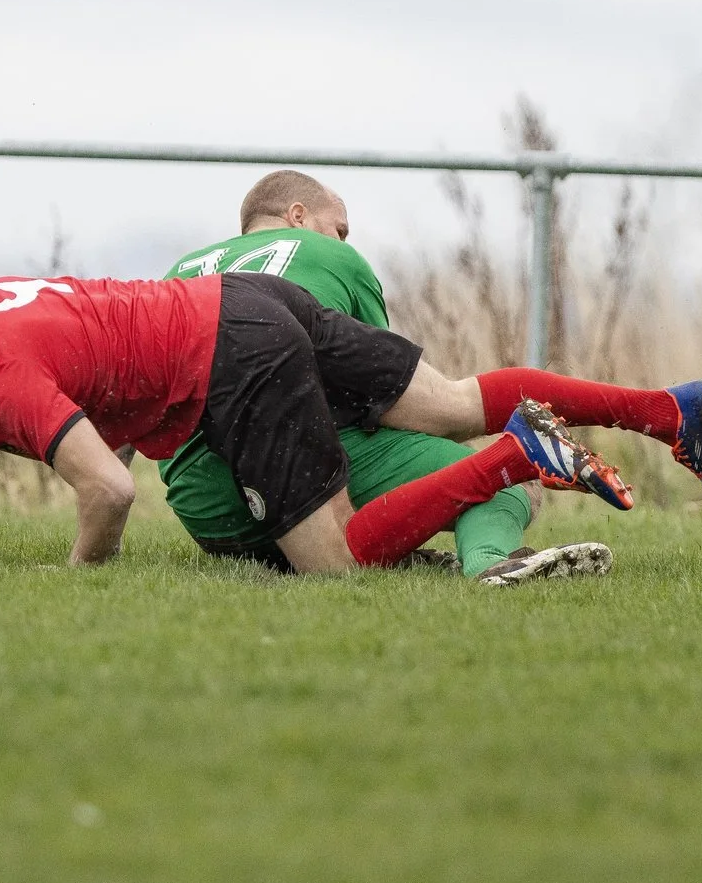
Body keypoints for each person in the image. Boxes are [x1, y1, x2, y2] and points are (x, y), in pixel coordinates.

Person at [0, 262, 702, 578]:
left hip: (233, 358)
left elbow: (110, 492)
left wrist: (79, 586)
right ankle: (671, 411)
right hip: (242, 300)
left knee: (337, 565)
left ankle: (517, 461)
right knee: (451, 404)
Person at [163, 168, 671, 586]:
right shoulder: (331, 258)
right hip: (289, 476)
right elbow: (382, 394)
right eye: (338, 228)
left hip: (206, 509)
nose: (343, 240)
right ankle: (492, 559)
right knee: (500, 480)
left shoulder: (180, 270)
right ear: (298, 217)